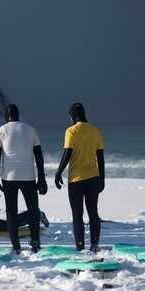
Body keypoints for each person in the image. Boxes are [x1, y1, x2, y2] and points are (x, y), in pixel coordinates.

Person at [0, 104, 47, 253]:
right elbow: (39, 155)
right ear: (17, 114)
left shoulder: (1, 131)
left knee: (11, 211)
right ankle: (35, 243)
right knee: (33, 210)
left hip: (8, 178)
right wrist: (41, 177)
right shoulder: (30, 129)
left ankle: (16, 246)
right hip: (28, 176)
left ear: (6, 115)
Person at [54, 103, 105, 252]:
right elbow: (100, 157)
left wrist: (58, 172)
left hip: (76, 180)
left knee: (77, 214)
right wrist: (102, 179)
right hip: (93, 178)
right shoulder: (95, 131)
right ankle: (94, 245)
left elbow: (67, 153)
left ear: (74, 116)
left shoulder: (71, 131)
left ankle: (80, 247)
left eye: (70, 116)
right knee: (93, 212)